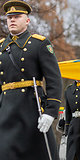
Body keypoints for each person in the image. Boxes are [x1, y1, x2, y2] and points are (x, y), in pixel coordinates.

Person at [0, 0, 62, 159]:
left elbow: (54, 79)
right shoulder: (1, 47)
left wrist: (50, 111)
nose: (12, 20)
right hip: (6, 112)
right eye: (9, 17)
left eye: (17, 16)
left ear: (27, 21)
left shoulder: (39, 44)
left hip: (32, 109)